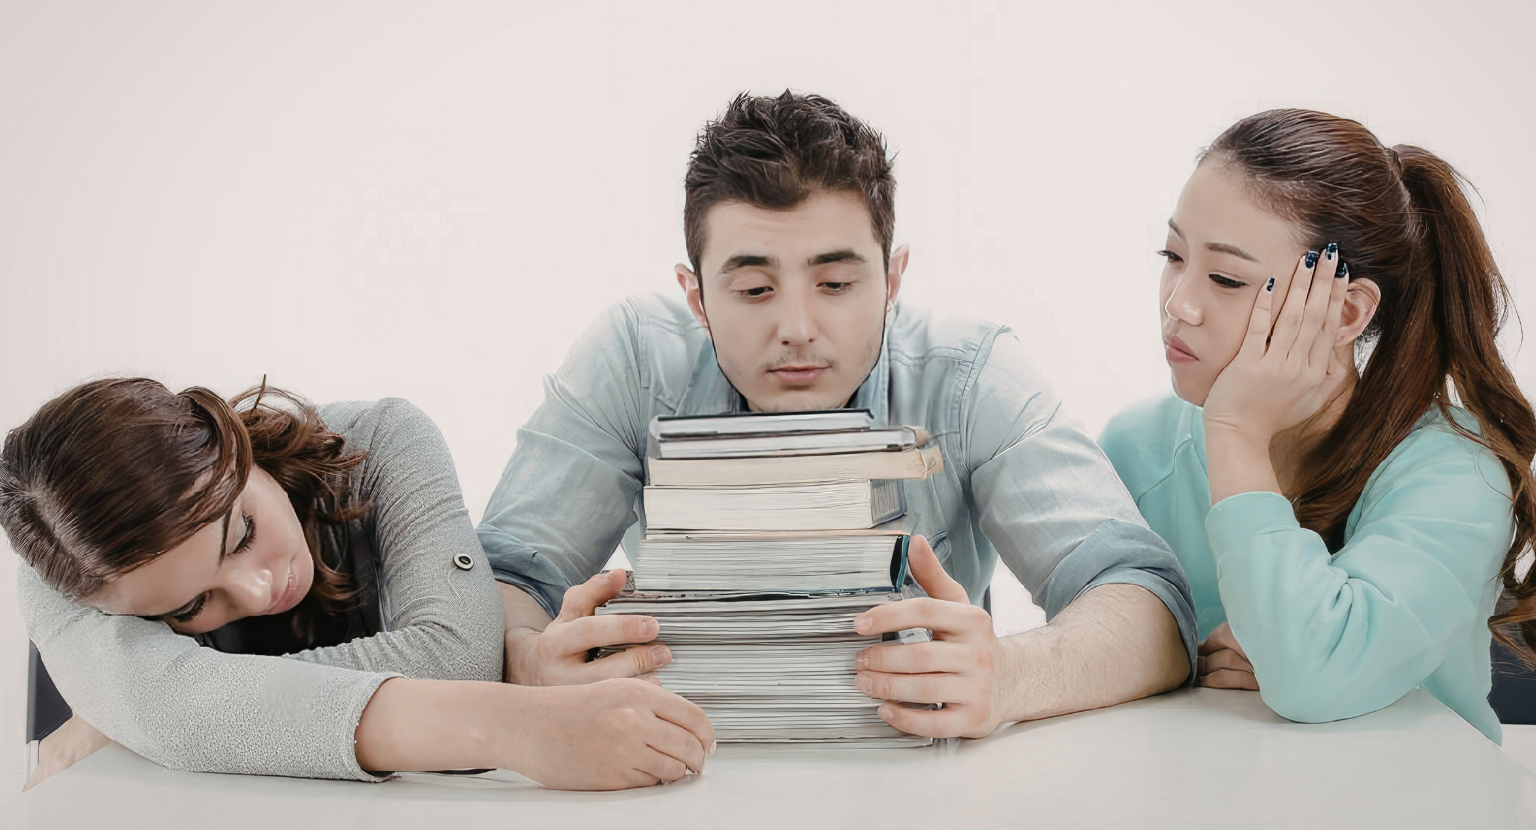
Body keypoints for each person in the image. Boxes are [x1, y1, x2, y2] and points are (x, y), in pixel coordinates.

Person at [480, 91, 1197, 739]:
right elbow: (501, 580)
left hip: (917, 788)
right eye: (755, 289)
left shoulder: (972, 373)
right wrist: (530, 665)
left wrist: (1008, 676)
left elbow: (1150, 608)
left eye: (835, 282)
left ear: (892, 280)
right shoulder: (633, 360)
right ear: (696, 298)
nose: (797, 326)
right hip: (690, 776)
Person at [3, 378, 713, 790]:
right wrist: (514, 725)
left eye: (242, 531)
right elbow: (167, 709)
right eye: (190, 607)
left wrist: (164, 705)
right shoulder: (66, 561)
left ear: (228, 438)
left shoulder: (381, 444)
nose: (255, 591)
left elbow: (457, 655)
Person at [1098, 109, 1536, 741]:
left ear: (1347, 309)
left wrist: (1237, 433)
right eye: (1173, 254)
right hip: (1195, 818)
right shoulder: (1133, 448)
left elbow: (1311, 674)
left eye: (1226, 278)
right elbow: (1096, 654)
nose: (1178, 303)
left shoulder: (1457, 474)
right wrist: (1175, 659)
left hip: (1415, 823)